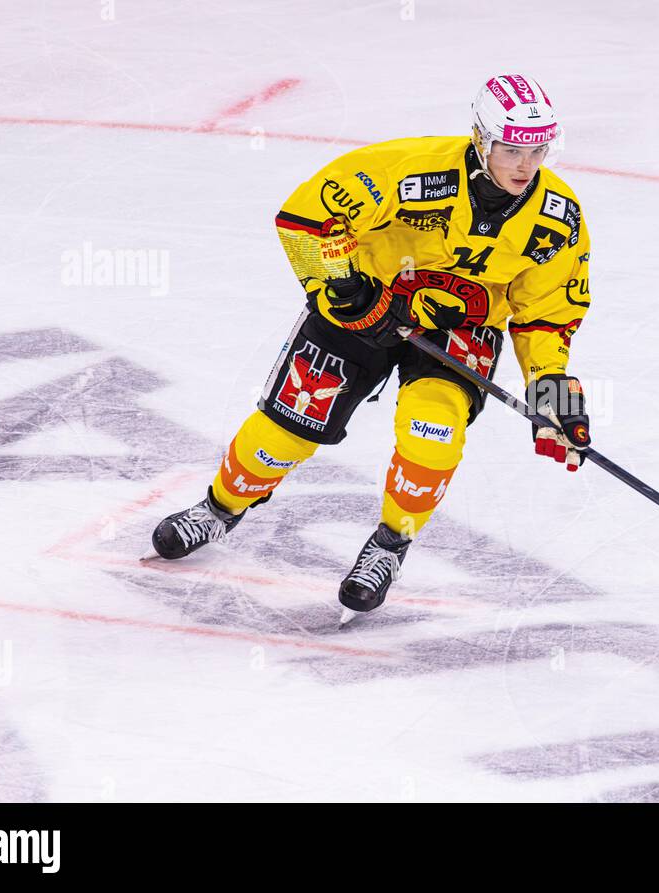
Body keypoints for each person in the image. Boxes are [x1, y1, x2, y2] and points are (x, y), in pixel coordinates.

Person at [149, 74, 593, 625]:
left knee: (433, 434)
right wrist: (342, 286)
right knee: (284, 433)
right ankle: (220, 509)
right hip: (362, 312)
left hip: (459, 327)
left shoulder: (557, 218)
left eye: (538, 149)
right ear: (481, 139)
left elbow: (547, 312)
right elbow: (306, 218)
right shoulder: (410, 171)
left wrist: (549, 384)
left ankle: (389, 545)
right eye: (511, 148)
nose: (525, 165)